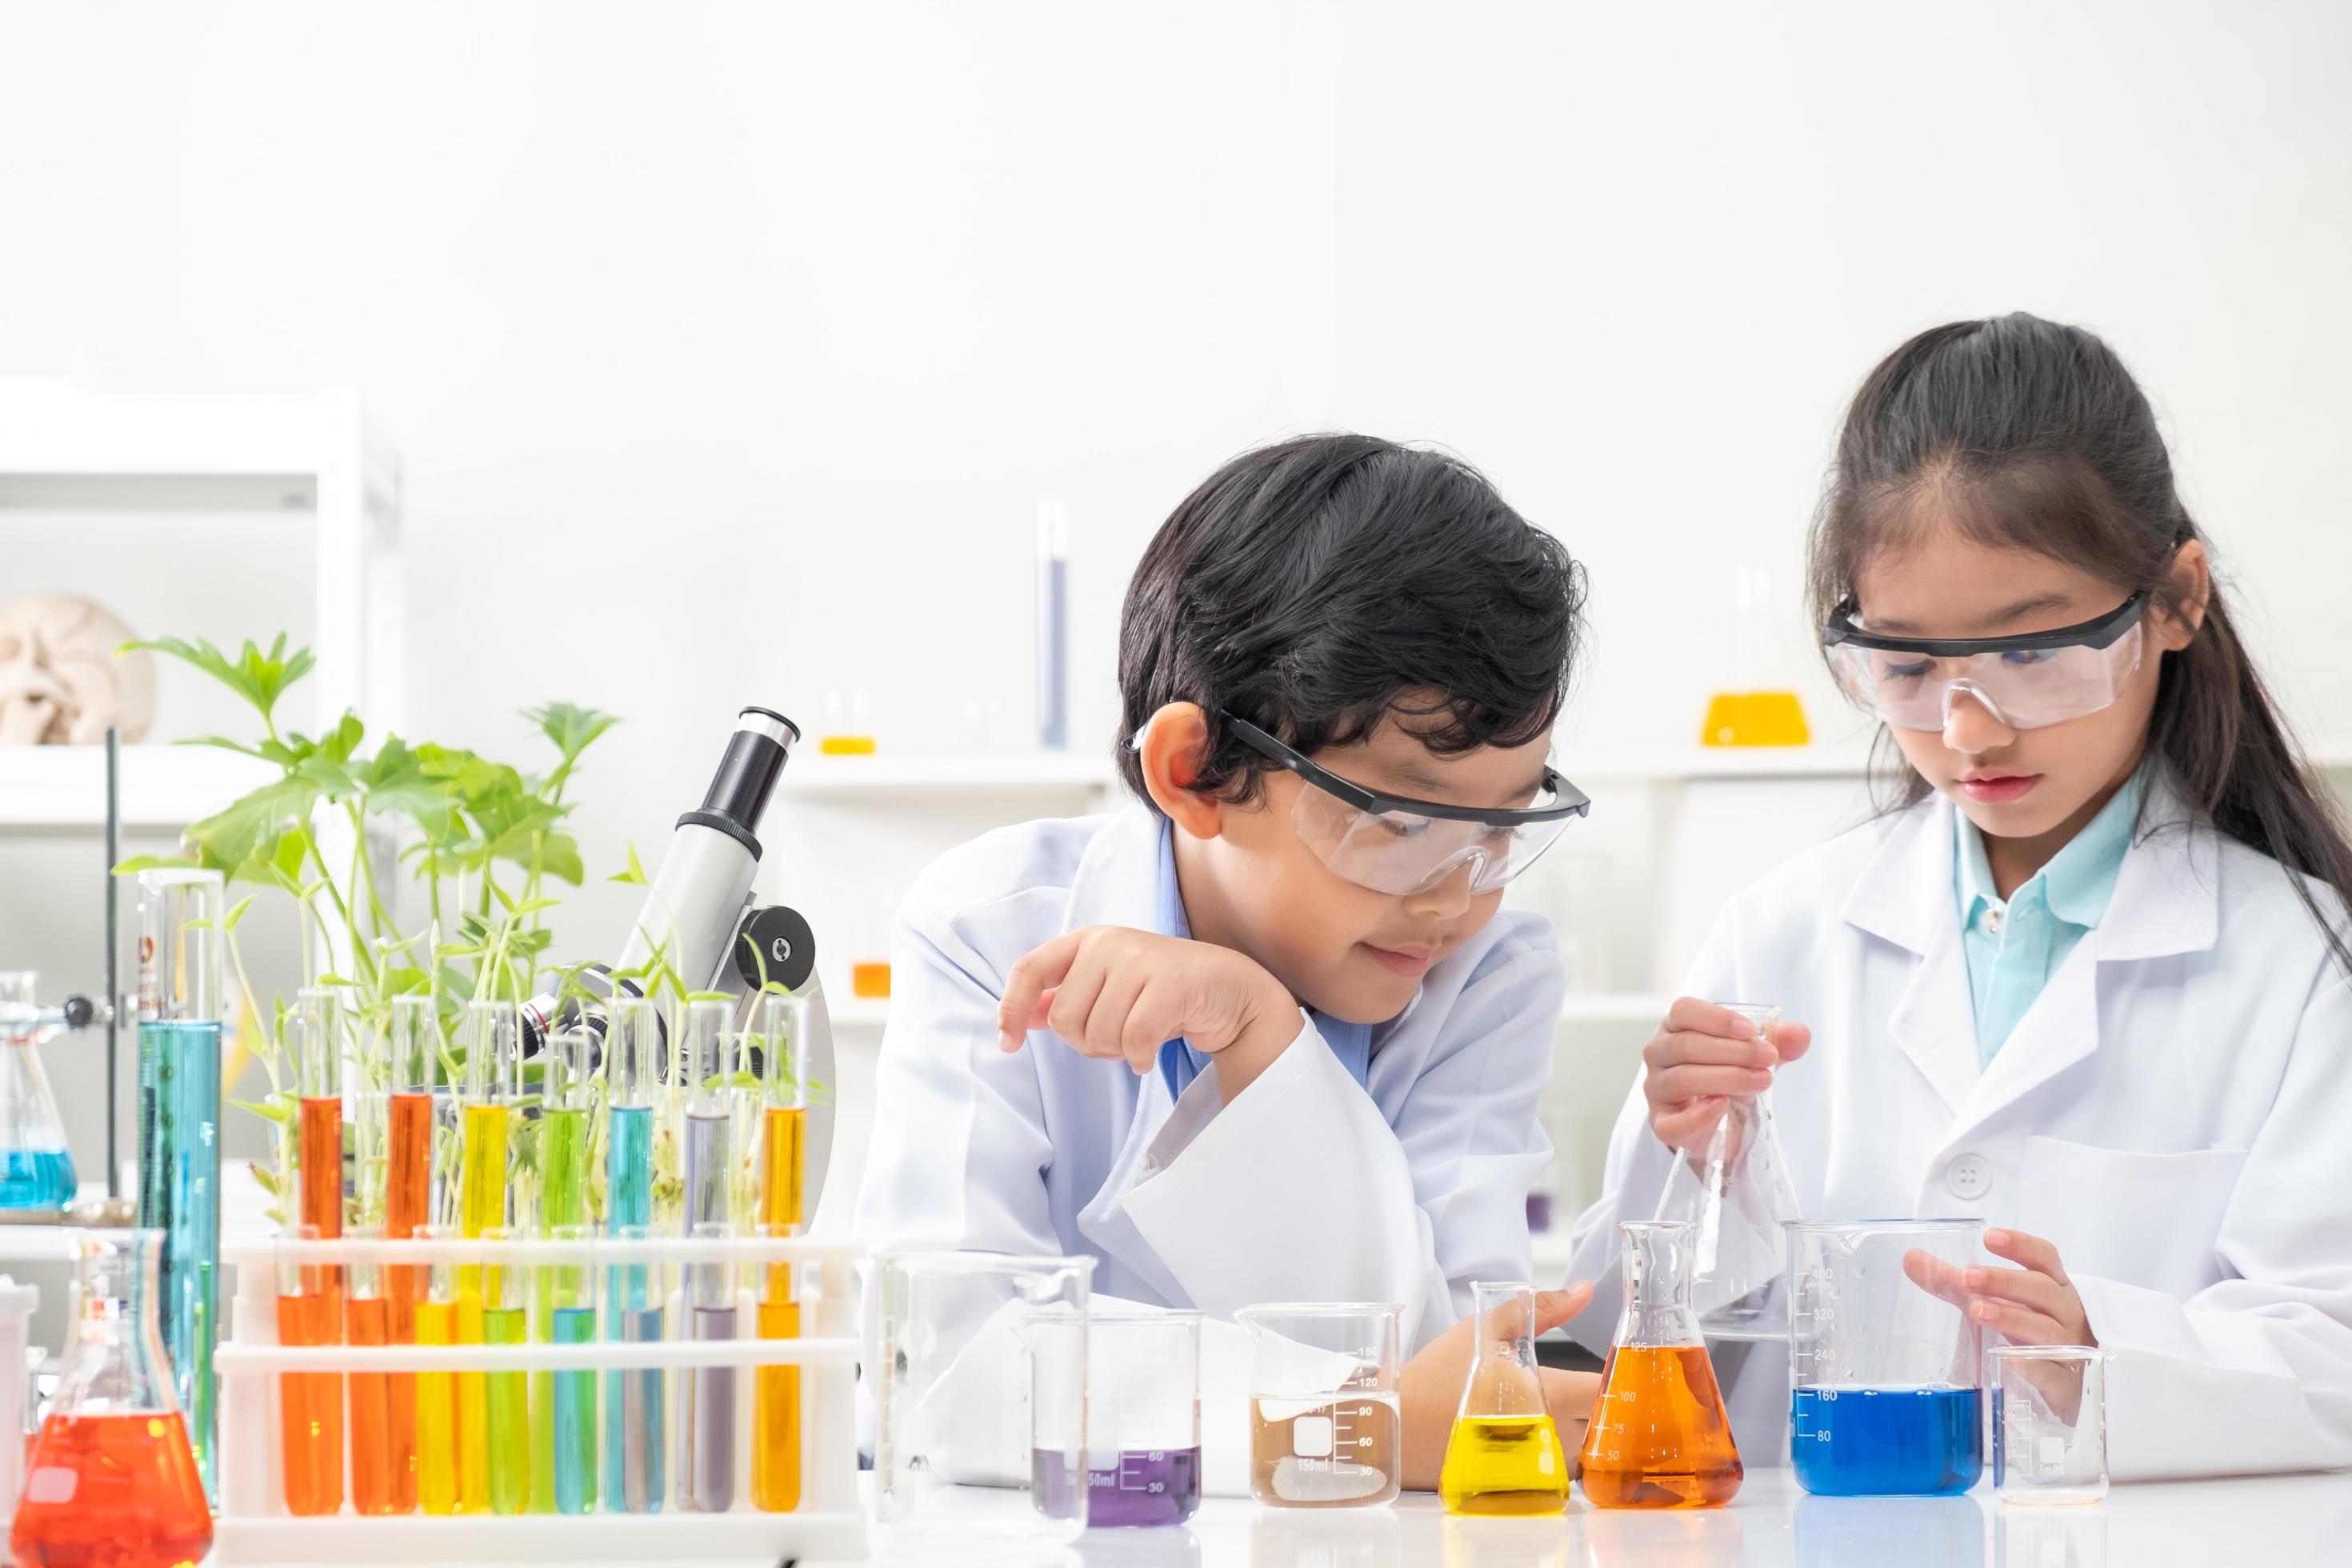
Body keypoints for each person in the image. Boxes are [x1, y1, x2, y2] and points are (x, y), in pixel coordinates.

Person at [1563, 313, 2352, 1480]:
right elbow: (1613, 1334)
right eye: (1910, 668)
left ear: (2177, 601)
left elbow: (2330, 1351)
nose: (1968, 728)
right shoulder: (1781, 932)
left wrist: (2100, 1350)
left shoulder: (2303, 962)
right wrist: (1696, 1167)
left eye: (2035, 653)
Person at [855, 432, 1600, 1493]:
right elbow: (935, 1375)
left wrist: (1266, 1040)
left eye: (1501, 832)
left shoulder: (1490, 971)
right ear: (1194, 772)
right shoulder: (993, 932)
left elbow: (1470, 1370)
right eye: (1400, 826)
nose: (1457, 898)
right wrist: (1354, 1422)